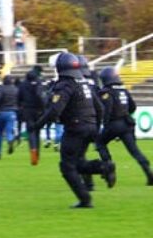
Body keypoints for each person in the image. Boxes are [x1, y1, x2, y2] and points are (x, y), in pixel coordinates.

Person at [33, 52, 115, 209]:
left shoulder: (65, 85)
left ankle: (85, 199)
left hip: (75, 128)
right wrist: (95, 128)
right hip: (89, 126)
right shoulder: (84, 83)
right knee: (78, 163)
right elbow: (100, 108)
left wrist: (38, 125)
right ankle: (103, 167)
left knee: (66, 166)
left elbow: (55, 110)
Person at [96, 66, 153, 185]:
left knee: (100, 143)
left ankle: (108, 166)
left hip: (114, 124)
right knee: (135, 151)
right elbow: (133, 107)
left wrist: (105, 125)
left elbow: (107, 111)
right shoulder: (123, 90)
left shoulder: (107, 92)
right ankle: (148, 172)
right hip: (127, 124)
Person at [18, 66, 46, 165]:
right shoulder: (39, 82)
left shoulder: (23, 84)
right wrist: (43, 107)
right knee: (37, 132)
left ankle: (33, 149)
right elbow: (40, 95)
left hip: (27, 110)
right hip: (38, 110)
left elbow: (19, 97)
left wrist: (21, 107)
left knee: (31, 132)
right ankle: (37, 154)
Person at [0, 75, 19, 160]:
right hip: (12, 112)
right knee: (9, 130)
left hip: (1, 112)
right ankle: (10, 139)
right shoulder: (16, 89)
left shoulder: (1, 89)